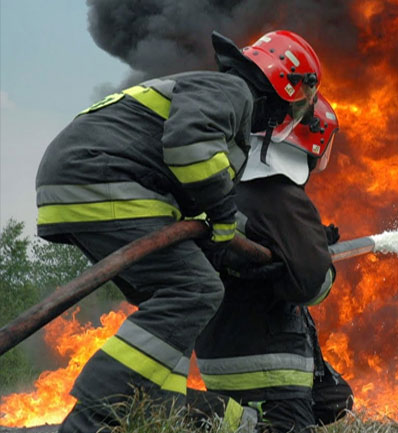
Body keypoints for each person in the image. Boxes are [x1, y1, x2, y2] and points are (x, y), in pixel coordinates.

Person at [34, 29, 322, 433]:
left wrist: (242, 247)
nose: (295, 116)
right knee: (197, 290)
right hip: (103, 176)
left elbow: (195, 201)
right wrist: (223, 217)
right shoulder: (232, 91)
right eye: (301, 103)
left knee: (172, 308)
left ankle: (147, 409)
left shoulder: (221, 101)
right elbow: (189, 148)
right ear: (286, 83)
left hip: (85, 179)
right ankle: (92, 418)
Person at [195, 93, 354, 433]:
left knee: (335, 400)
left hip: (218, 349)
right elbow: (312, 285)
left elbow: (259, 242)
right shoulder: (280, 193)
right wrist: (316, 258)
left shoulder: (232, 186)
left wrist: (306, 242)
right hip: (267, 361)